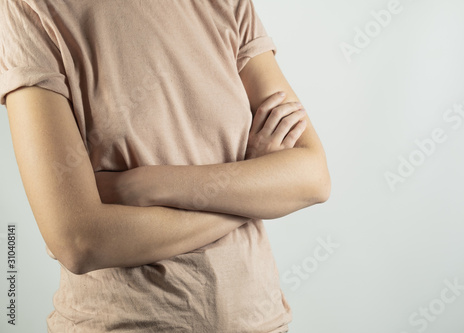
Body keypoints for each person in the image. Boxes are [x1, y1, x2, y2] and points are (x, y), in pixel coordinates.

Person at [0, 0, 331, 332]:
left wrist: (146, 185)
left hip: (260, 322)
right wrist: (252, 192)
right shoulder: (28, 8)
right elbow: (78, 242)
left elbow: (313, 176)